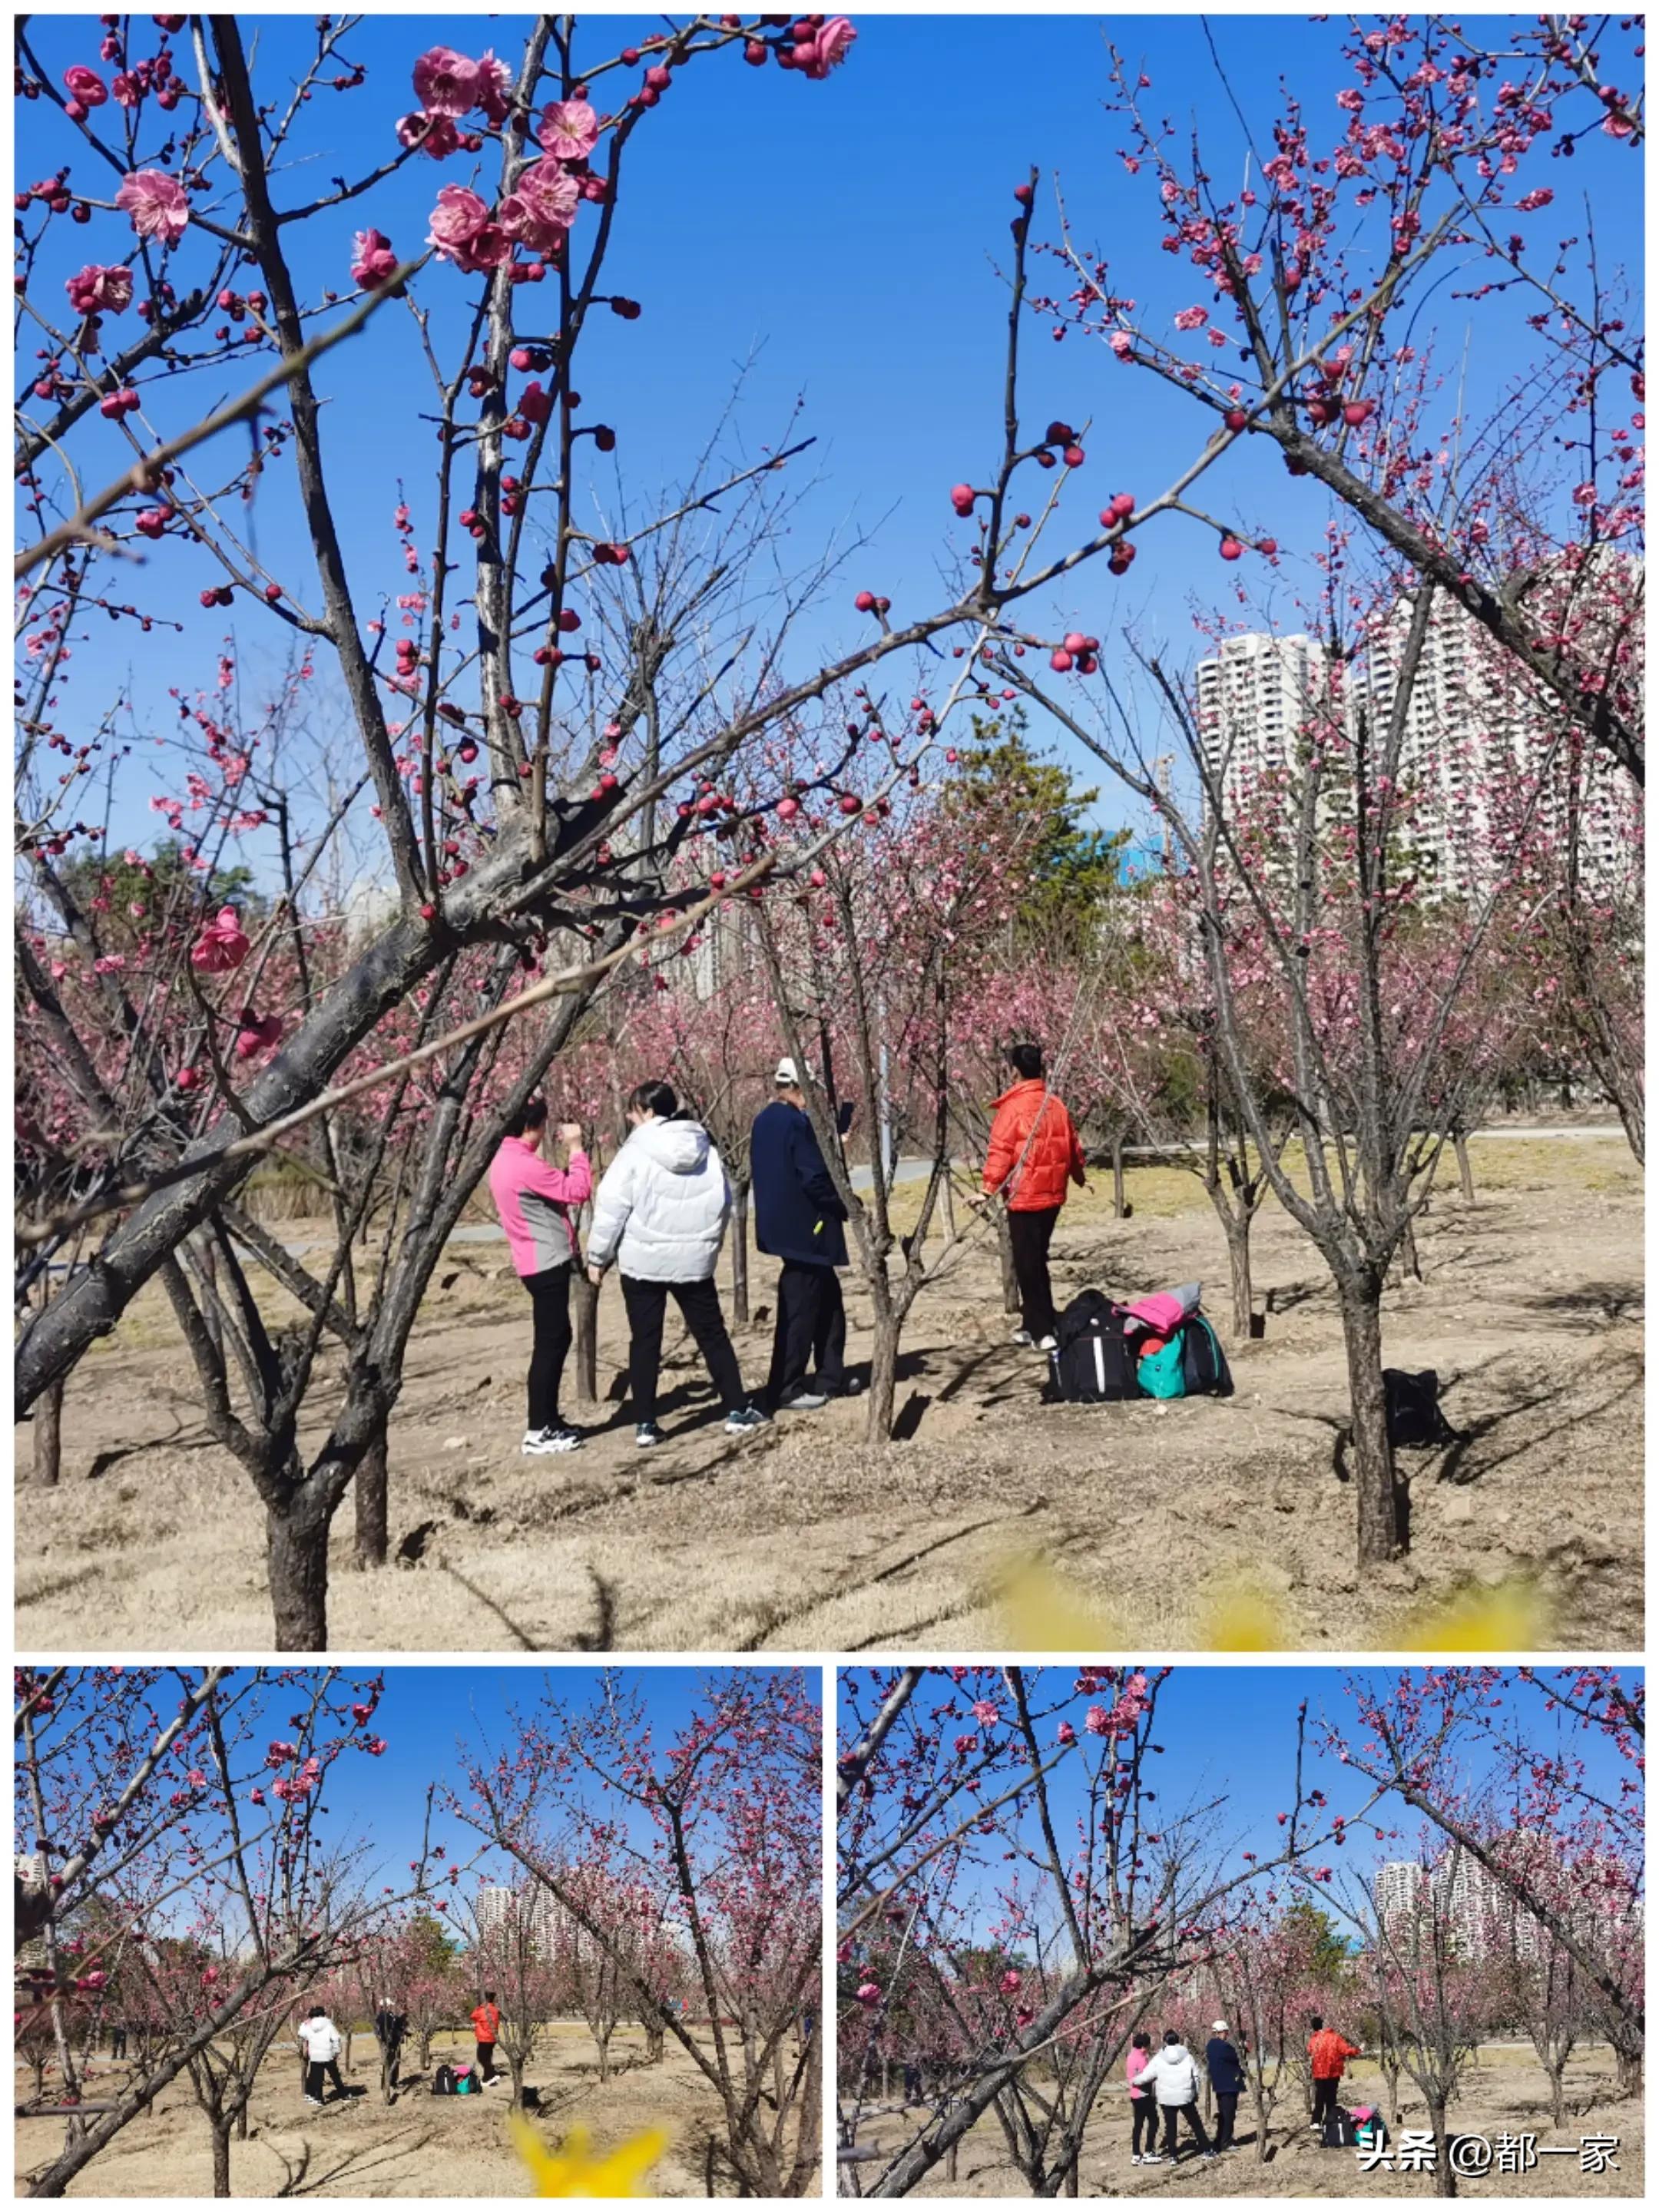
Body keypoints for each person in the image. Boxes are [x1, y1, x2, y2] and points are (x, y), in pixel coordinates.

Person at [585, 1081, 769, 1448]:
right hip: (693, 1261)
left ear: (649, 1113)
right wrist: (708, 1248)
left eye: (634, 1111)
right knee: (712, 1335)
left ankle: (645, 1423)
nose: (629, 1118)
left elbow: (611, 1207)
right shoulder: (705, 1146)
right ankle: (737, 1407)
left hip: (643, 1261)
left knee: (646, 1341)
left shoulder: (634, 1151)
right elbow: (722, 1203)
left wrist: (597, 1258)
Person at [488, 1094, 592, 1454]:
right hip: (545, 1261)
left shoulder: (505, 1158)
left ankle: (548, 1419)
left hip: (532, 1260)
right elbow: (578, 1191)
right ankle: (538, 1429)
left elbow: (547, 1191)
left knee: (555, 1338)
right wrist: (577, 1150)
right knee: (551, 1343)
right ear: (533, 1126)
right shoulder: (524, 1164)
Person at [750, 1058, 856, 1410]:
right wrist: (846, 1204)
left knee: (828, 1304)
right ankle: (786, 1387)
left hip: (785, 1229)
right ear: (797, 1087)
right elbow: (813, 1177)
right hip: (806, 1230)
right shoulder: (796, 1124)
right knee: (800, 1311)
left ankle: (830, 1376)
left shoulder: (766, 1120)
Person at [977, 1043, 1087, 1350]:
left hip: (1025, 1197)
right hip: (1052, 1197)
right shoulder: (1056, 1104)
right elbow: (1073, 1146)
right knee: (1035, 1259)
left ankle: (1043, 1329)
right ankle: (1032, 1322)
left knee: (1029, 1264)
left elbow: (1000, 1152)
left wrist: (988, 1188)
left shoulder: (1012, 1109)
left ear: (1015, 1070)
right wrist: (1079, 1178)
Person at [1135, 2029, 1217, 2165]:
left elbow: (1146, 2076)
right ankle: (1207, 2150)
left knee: (1171, 2127)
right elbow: (1196, 2076)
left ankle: (1174, 2156)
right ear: (1178, 2040)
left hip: (1166, 2098)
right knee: (1196, 2124)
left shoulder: (1159, 2058)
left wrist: (1134, 2081)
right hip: (1185, 2096)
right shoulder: (1187, 2056)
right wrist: (1196, 2093)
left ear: (1165, 2041)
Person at [1307, 2015, 1362, 2137]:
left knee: (1319, 2098)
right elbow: (1346, 2050)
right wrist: (1358, 2050)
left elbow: (1310, 2051)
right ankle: (1330, 2122)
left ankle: (1316, 2122)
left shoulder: (1313, 2040)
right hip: (1333, 2072)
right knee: (1331, 2099)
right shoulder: (1334, 2037)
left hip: (1319, 2073)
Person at [1205, 2019, 1246, 2152]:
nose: (1226, 2035)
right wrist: (1242, 2047)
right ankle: (1226, 2142)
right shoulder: (1223, 2047)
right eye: (1225, 2032)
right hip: (1228, 2085)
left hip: (1220, 2085)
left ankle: (1220, 2139)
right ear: (1220, 2032)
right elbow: (1236, 2056)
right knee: (1229, 2115)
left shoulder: (1211, 2046)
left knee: (1223, 2114)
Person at [1126, 2029, 1162, 2167]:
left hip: (1135, 2095)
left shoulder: (1130, 2056)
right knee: (1154, 2121)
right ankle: (1148, 2151)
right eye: (1148, 2046)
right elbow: (1145, 2077)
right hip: (1144, 2095)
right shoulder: (1141, 2058)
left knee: (1138, 2125)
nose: (1149, 2048)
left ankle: (1136, 2154)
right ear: (1144, 2046)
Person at [298, 2006, 346, 2108]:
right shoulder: (328, 2024)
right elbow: (336, 2038)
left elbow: (302, 2034)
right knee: (335, 2075)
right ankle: (343, 2094)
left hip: (315, 2055)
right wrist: (336, 2051)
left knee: (317, 2078)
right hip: (328, 2054)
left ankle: (318, 2098)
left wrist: (304, 2023)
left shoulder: (308, 2026)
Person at [374, 1994, 406, 2088]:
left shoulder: (390, 2015)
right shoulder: (383, 2017)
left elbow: (397, 2024)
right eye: (389, 2006)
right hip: (390, 2044)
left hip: (395, 2043)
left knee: (394, 2062)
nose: (391, 2007)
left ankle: (392, 2082)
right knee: (389, 2063)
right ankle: (387, 2083)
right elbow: (390, 2028)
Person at [471, 1990, 502, 2086]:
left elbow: (472, 2016)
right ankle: (487, 2079)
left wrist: (480, 2006)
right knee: (488, 2059)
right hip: (493, 2038)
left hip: (484, 2038)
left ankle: (492, 2074)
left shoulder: (482, 2010)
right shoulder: (496, 2010)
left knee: (481, 2058)